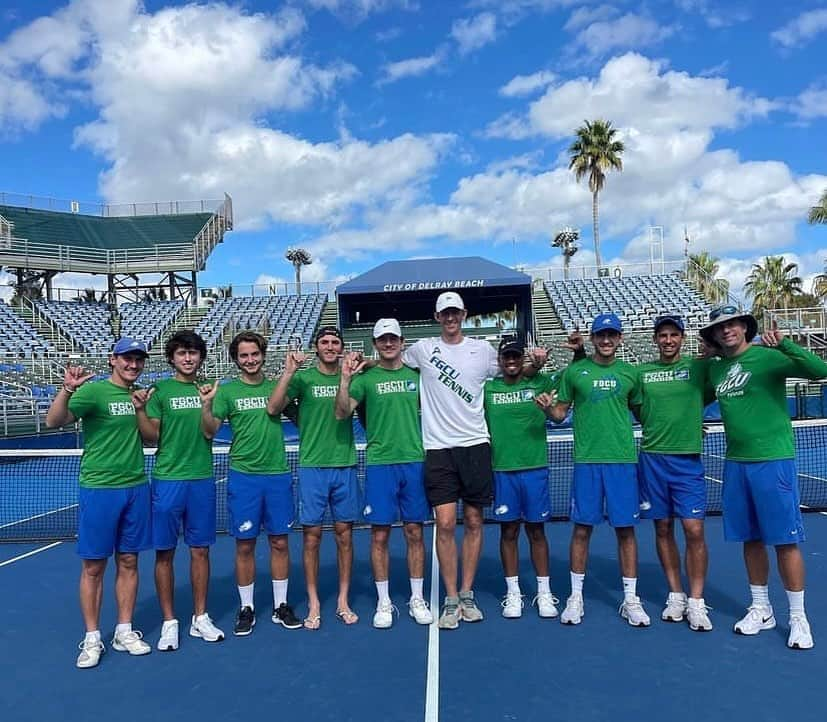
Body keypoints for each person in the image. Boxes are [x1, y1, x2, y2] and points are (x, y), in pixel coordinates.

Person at [401, 291, 546, 629]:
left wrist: (534, 365)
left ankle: (467, 593)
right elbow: (390, 359)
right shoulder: (422, 350)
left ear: (464, 314)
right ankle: (450, 599)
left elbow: (514, 369)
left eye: (455, 312)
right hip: (438, 449)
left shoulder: (482, 350)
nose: (450, 318)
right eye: (444, 314)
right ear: (437, 317)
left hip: (476, 446)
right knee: (447, 525)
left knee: (476, 522)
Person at [701, 305, 827, 649]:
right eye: (719, 327)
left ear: (744, 327)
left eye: (732, 324)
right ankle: (761, 608)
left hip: (773, 460)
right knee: (751, 539)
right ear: (713, 335)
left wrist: (787, 345)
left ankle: (798, 618)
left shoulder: (769, 358)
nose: (726, 330)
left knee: (785, 540)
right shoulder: (715, 370)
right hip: (735, 463)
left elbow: (820, 370)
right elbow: (691, 398)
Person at [46, 337, 153, 669]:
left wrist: (141, 408)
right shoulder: (92, 392)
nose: (132, 365)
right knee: (94, 566)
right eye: (127, 359)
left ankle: (124, 630)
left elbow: (151, 437)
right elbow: (54, 421)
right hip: (99, 489)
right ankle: (92, 637)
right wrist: (67, 390)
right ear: (113, 360)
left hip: (136, 487)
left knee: (130, 562)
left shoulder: (140, 395)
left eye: (138, 360)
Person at [550, 312, 650, 627]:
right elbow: (558, 415)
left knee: (626, 531)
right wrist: (546, 408)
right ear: (593, 339)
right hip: (587, 463)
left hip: (622, 463)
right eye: (600, 335)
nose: (606, 340)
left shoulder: (631, 374)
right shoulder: (575, 372)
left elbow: (646, 412)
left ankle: (630, 600)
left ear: (620, 338)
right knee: (581, 529)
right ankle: (575, 597)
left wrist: (689, 422)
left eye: (612, 335)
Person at [200, 331, 301, 636]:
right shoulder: (227, 393)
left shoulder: (277, 388)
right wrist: (206, 405)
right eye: (243, 355)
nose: (250, 360)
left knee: (280, 542)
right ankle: (247, 608)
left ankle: (281, 605)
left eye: (254, 354)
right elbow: (209, 431)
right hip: (244, 477)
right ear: (236, 359)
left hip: (278, 475)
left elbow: (306, 418)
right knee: (245, 545)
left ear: (262, 354)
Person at [335, 318, 433, 629]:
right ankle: (384, 601)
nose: (388, 343)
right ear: (375, 344)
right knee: (380, 534)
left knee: (415, 532)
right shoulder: (365, 379)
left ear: (402, 341)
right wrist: (346, 379)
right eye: (382, 340)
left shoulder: (418, 377)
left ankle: (417, 598)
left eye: (393, 338)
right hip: (380, 464)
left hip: (414, 462)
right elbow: (341, 412)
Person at [132, 331, 224, 650]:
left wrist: (208, 405)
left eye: (194, 353)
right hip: (168, 480)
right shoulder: (160, 391)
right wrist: (141, 411)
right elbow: (151, 438)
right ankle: (170, 622)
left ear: (201, 357)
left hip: (201, 479)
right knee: (165, 553)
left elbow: (211, 432)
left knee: (200, 550)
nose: (188, 358)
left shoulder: (211, 389)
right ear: (172, 357)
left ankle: (200, 617)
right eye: (182, 353)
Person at [267, 326, 359, 630]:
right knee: (312, 537)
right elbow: (275, 407)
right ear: (316, 347)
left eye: (335, 342)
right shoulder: (304, 379)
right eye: (324, 342)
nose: (330, 347)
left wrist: (357, 367)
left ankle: (343, 600)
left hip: (344, 464)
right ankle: (315, 602)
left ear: (341, 348)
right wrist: (289, 371)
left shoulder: (352, 377)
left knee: (345, 535)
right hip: (312, 467)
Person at [634, 315, 712, 631]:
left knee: (694, 529)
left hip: (687, 462)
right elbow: (638, 409)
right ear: (656, 339)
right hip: (652, 461)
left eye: (674, 335)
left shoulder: (699, 368)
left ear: (682, 338)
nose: (668, 340)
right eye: (663, 335)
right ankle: (675, 594)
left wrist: (692, 421)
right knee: (663, 528)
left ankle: (696, 601)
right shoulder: (642, 373)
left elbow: (720, 389)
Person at [483, 336, 562, 619]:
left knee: (536, 531)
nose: (512, 361)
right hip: (502, 471)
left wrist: (541, 369)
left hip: (535, 470)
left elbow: (558, 415)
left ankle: (543, 592)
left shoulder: (540, 383)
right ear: (501, 361)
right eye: (507, 357)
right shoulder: (489, 389)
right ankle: (513, 593)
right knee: (508, 532)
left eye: (517, 356)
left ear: (523, 359)